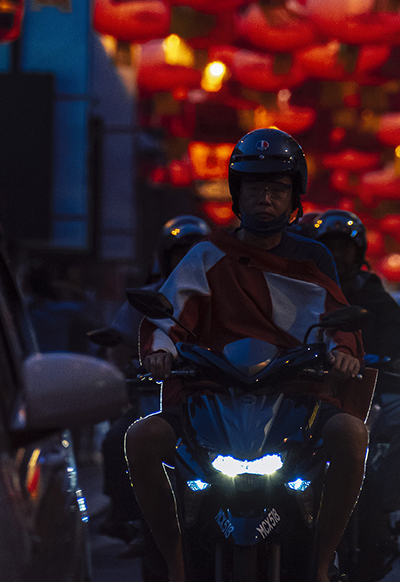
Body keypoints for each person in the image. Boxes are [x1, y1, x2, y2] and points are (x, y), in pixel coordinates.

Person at [125, 130, 369, 582]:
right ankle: (176, 565)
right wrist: (160, 353)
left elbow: (339, 320)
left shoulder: (314, 258)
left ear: (294, 195)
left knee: (352, 436)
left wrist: (345, 354)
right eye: (255, 187)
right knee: (139, 439)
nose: (265, 198)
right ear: (237, 194)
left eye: (277, 188)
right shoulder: (206, 255)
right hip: (211, 396)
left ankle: (320, 562)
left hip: (296, 399)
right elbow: (167, 318)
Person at [310, 210, 400, 538]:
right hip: (310, 390)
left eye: (345, 248)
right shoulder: (302, 291)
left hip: (372, 391)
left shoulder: (378, 299)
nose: (337, 256)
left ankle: (393, 502)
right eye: (329, 248)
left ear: (359, 253)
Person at [98, 216, 212, 542]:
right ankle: (128, 516)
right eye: (181, 252)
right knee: (119, 438)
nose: (189, 260)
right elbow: (121, 346)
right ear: (166, 256)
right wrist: (138, 367)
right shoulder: (149, 297)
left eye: (196, 252)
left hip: (216, 401)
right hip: (160, 396)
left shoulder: (224, 296)